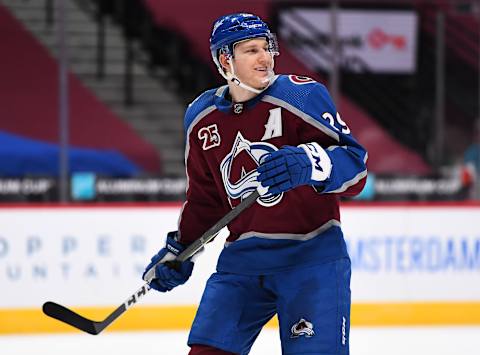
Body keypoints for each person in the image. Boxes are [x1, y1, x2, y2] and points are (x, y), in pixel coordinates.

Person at [143, 13, 368, 355]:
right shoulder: (202, 118)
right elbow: (207, 200)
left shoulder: (300, 96)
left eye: (267, 47)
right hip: (242, 264)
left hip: (311, 258)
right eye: (251, 50)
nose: (266, 58)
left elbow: (355, 168)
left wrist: (312, 163)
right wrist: (180, 249)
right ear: (225, 60)